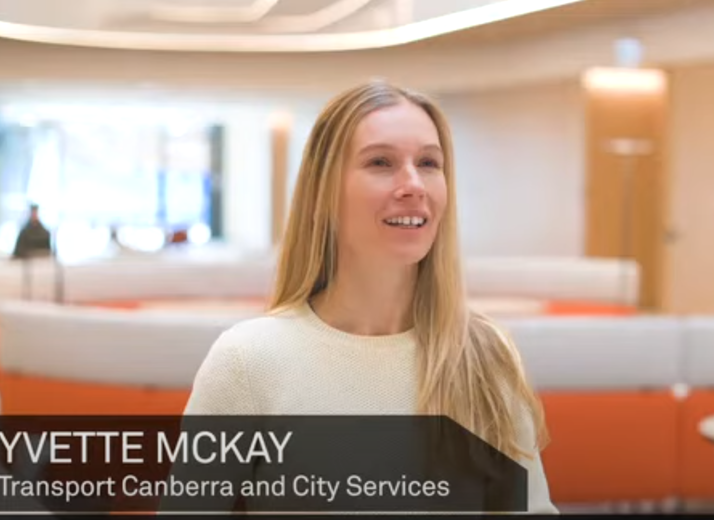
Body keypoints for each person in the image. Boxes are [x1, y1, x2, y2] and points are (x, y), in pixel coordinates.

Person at [182, 81, 557, 514]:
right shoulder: (248, 361)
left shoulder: (486, 356)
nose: (413, 184)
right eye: (381, 162)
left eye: (429, 163)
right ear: (323, 194)